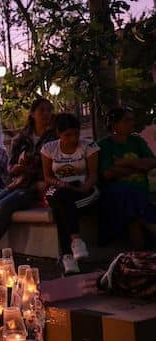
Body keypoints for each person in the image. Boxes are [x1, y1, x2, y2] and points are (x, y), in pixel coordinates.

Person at [0, 98, 57, 251]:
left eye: (49, 110)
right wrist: (17, 168)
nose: (46, 113)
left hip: (38, 184)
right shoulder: (23, 137)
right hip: (19, 181)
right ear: (33, 114)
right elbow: (10, 166)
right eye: (42, 110)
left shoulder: (54, 136)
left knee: (4, 205)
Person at [41, 113, 100, 275]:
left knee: (62, 208)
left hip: (81, 189)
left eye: (76, 134)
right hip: (58, 189)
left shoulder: (89, 146)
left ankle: (67, 256)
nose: (73, 138)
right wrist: (62, 184)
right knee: (61, 199)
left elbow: (93, 175)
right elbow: (47, 177)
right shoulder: (49, 149)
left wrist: (85, 187)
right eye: (68, 135)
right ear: (59, 134)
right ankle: (76, 240)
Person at [97, 106, 156, 248]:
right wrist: (139, 167)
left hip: (139, 192)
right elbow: (108, 173)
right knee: (132, 200)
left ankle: (141, 250)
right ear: (114, 124)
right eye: (127, 120)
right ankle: (140, 248)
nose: (132, 123)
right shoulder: (104, 145)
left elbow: (153, 162)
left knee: (136, 201)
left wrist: (124, 162)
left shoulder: (137, 141)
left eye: (132, 120)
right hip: (116, 193)